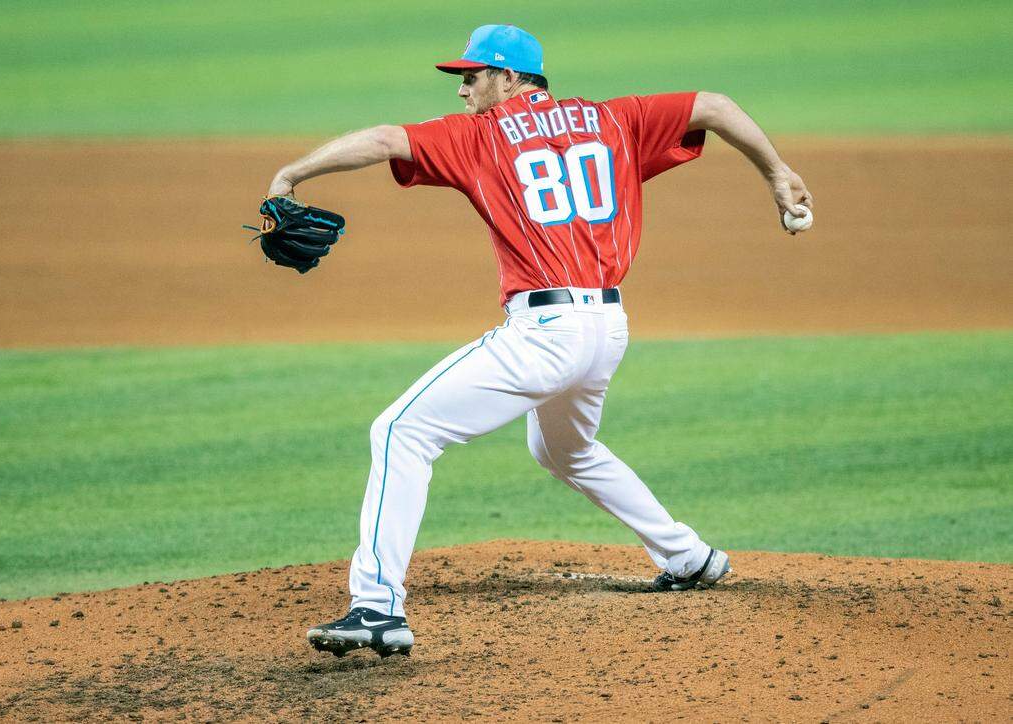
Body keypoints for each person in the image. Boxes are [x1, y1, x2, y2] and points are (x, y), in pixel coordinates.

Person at [266, 24, 814, 658]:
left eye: (472, 74)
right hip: (607, 328)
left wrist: (291, 173)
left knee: (400, 432)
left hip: (545, 332)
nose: (463, 85)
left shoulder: (480, 134)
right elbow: (714, 106)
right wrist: (777, 171)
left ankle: (378, 606)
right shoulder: (614, 120)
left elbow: (388, 139)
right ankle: (688, 556)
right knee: (565, 448)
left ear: (511, 77)